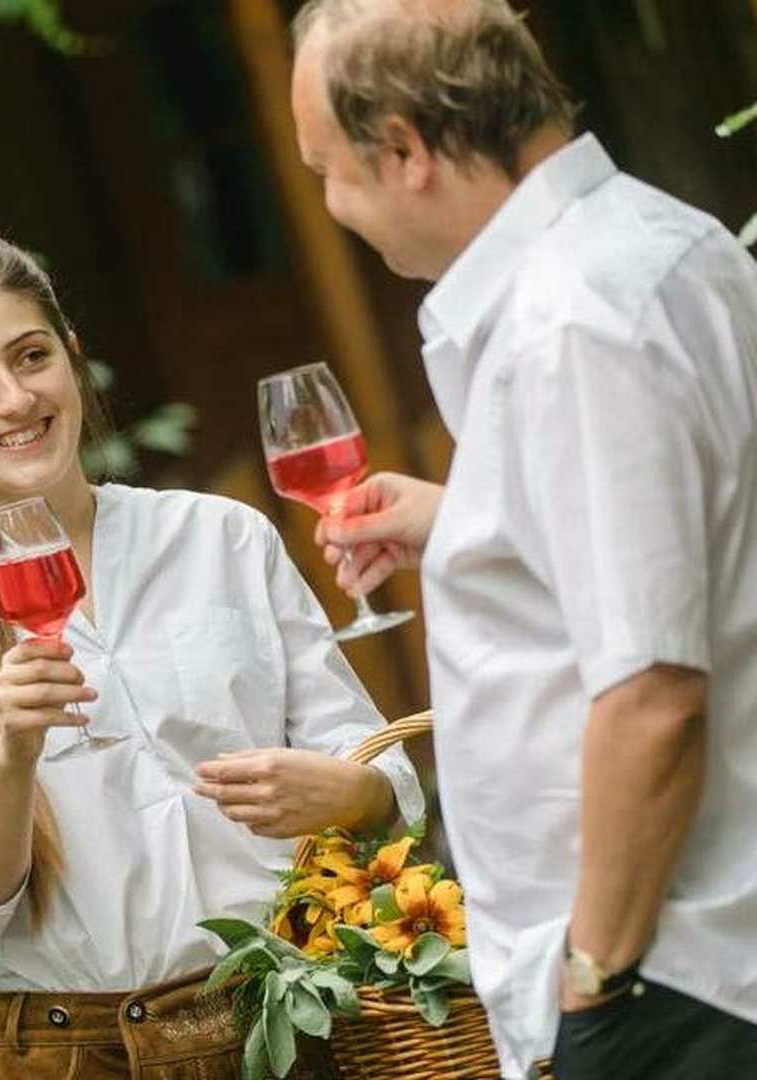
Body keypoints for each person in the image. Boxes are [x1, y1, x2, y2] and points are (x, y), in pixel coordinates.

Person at [288, 2, 757, 1077]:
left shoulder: (574, 321)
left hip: (675, 979)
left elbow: (654, 694)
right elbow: (700, 554)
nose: (330, 204)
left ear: (403, 149)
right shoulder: (657, 240)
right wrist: (467, 525)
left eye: (330, 171)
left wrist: (590, 976)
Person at [0, 229, 424, 1079]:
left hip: (296, 1020)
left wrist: (354, 789)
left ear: (73, 361)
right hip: (76, 1053)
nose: (14, 399)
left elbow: (379, 776)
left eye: (31, 356)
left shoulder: (219, 536)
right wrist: (13, 753)